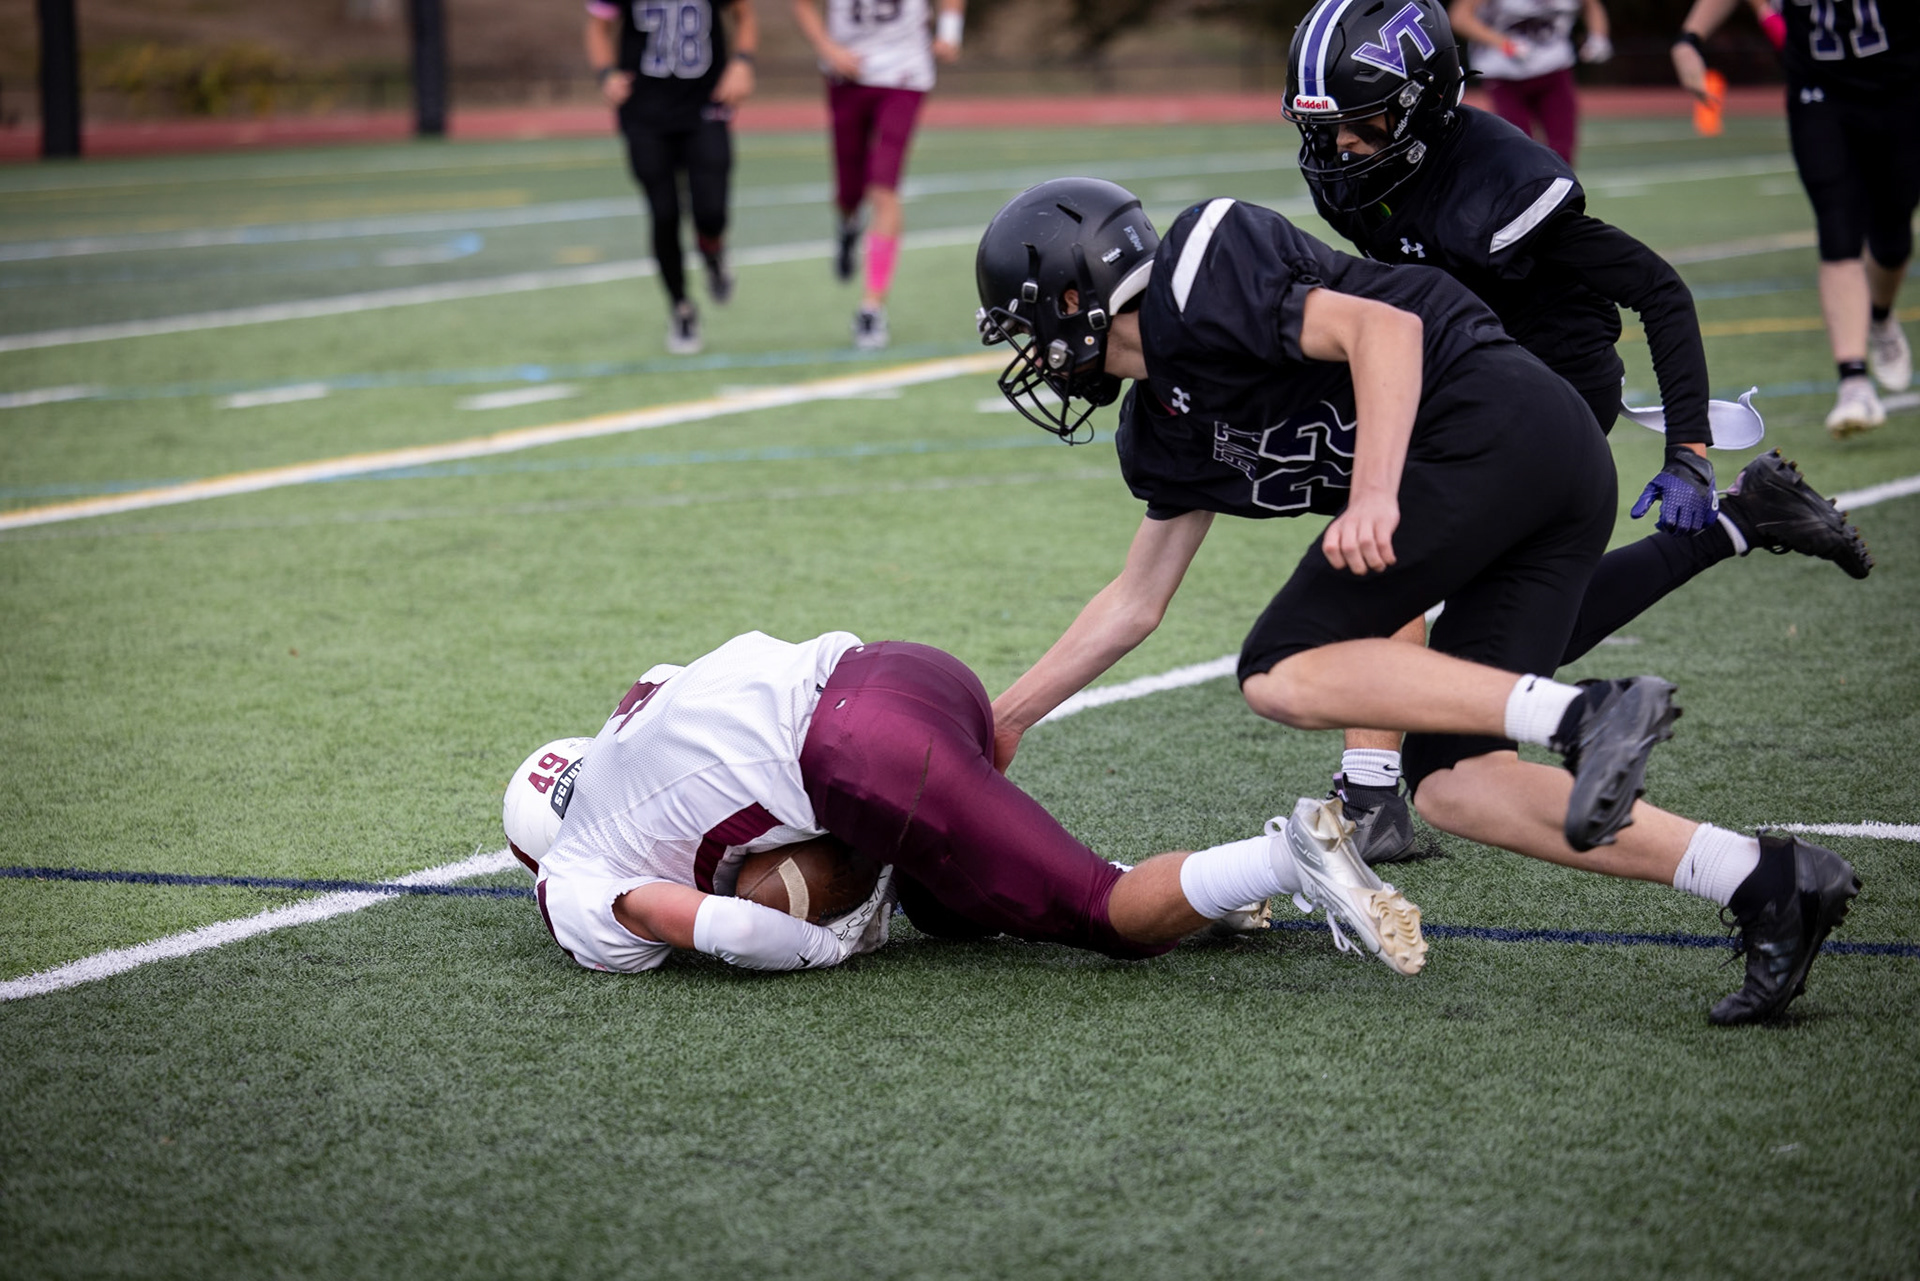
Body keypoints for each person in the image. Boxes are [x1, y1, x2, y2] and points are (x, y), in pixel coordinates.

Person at [974, 177, 1860, 1025]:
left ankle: (1588, 713)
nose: (1028, 357)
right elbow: (1135, 599)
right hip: (1516, 474)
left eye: (1024, 323)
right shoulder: (1160, 427)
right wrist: (1007, 720)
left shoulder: (1202, 264)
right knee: (1457, 786)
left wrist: (1373, 492)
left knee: (1277, 669)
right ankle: (1763, 881)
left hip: (1492, 423)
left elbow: (1385, 332)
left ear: (1072, 297)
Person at [1282, 0, 1870, 863]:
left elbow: (1659, 289)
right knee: (1487, 647)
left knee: (1401, 559)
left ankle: (1371, 798)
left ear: (1420, 105)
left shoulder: (1499, 178)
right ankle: (1750, 521)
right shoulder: (1359, 177)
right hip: (1469, 373)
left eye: (1360, 125)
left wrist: (1689, 451)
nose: (1338, 151)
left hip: (1548, 388)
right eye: (1322, 129)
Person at [502, 630, 1430, 976]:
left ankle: (1286, 854)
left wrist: (828, 945)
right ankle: (1218, 896)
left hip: (865, 753)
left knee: (1106, 916)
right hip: (909, 669)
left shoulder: (572, 877)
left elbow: (730, 930)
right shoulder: (644, 704)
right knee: (949, 904)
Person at [1673, 0, 1918, 437]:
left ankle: (1879, 316)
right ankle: (1853, 381)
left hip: (1901, 86)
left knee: (1893, 231)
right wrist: (1690, 38)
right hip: (1819, 89)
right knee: (1837, 227)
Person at [587, 0, 759, 356]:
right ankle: (681, 307)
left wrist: (742, 63)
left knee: (711, 211)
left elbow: (744, 14)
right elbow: (597, 27)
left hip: (705, 104)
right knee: (663, 213)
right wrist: (606, 74)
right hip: (645, 111)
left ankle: (713, 252)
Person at [793, 0, 965, 350]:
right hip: (849, 73)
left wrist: (949, 32)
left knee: (884, 187)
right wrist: (828, 48)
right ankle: (848, 224)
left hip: (904, 73)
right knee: (848, 193)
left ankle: (871, 306)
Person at [1446, 0, 1612, 165]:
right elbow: (1460, 17)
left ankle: (1560, 188)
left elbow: (1592, 6)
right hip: (1506, 75)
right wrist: (1503, 43)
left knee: (1563, 148)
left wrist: (1598, 37)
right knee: (1519, 148)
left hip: (1554, 69)